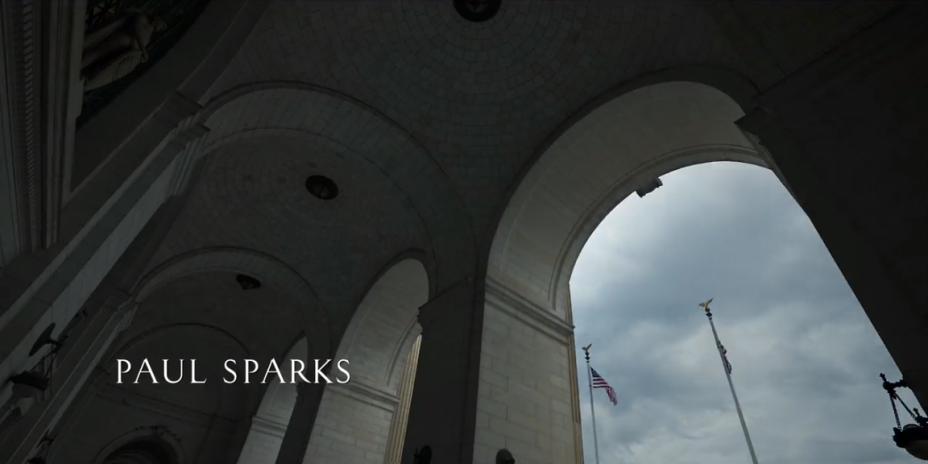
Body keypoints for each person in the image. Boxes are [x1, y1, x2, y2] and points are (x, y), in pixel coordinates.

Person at [81, 9, 167, 91]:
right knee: (98, 53)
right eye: (162, 25)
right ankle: (81, 64)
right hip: (121, 40)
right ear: (158, 19)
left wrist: (139, 57)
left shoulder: (149, 37)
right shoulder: (142, 18)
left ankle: (85, 75)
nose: (161, 28)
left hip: (125, 52)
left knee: (104, 63)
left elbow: (136, 52)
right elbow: (136, 28)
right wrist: (143, 50)